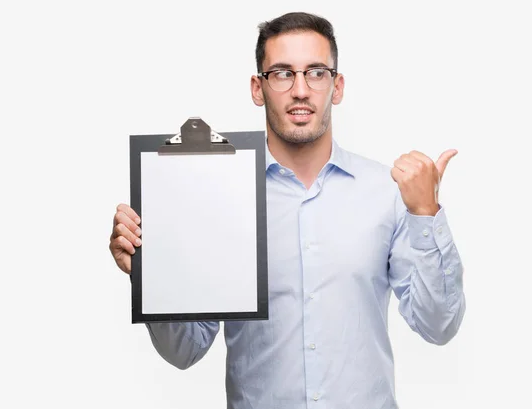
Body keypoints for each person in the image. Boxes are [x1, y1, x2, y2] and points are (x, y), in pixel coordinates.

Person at [109, 11, 465, 409]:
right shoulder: (213, 198)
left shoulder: (387, 192)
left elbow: (438, 326)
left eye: (316, 72)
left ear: (338, 85)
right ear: (257, 89)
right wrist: (152, 272)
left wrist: (425, 214)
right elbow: (184, 352)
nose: (300, 89)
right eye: (281, 73)